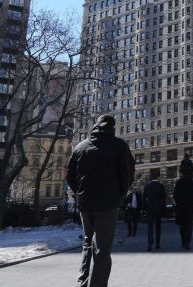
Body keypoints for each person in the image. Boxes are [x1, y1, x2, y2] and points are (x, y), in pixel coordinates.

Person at [67, 114, 135, 287]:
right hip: (108, 204)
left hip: (85, 204)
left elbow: (69, 176)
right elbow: (127, 173)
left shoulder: (80, 147)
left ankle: (83, 283)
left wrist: (79, 193)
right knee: (102, 249)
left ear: (95, 126)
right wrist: (120, 193)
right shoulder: (119, 146)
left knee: (88, 242)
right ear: (113, 127)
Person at [173, 154, 193, 250]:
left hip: (180, 206)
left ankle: (183, 241)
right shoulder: (192, 182)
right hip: (189, 206)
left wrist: (178, 202)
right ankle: (187, 242)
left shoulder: (179, 182)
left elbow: (175, 195)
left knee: (182, 225)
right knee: (188, 225)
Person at [143, 170, 166, 251]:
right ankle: (157, 244)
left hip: (150, 209)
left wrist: (145, 207)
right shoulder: (161, 185)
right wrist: (162, 207)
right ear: (158, 177)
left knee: (150, 226)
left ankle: (149, 244)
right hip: (158, 209)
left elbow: (144, 198)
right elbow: (164, 198)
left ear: (151, 177)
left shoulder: (147, 186)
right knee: (158, 226)